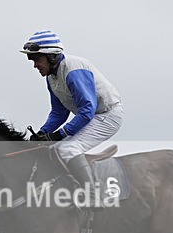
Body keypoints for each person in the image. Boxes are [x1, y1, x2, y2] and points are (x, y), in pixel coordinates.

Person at [21, 30, 124, 206]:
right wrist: (43, 133)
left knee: (68, 149)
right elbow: (59, 112)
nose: (35, 65)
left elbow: (87, 110)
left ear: (51, 57)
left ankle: (92, 196)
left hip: (108, 116)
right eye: (32, 60)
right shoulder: (52, 77)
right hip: (91, 116)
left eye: (37, 59)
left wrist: (60, 134)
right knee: (53, 147)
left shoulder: (74, 71)